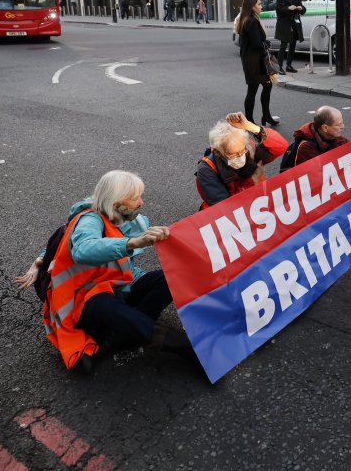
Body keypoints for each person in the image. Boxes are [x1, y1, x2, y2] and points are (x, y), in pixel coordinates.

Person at [25, 170, 193, 374]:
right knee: (103, 303)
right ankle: (182, 345)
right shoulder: (89, 219)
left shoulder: (123, 219)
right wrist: (132, 242)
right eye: (135, 198)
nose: (141, 202)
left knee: (169, 278)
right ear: (115, 202)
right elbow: (82, 249)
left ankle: (130, 329)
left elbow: (126, 270)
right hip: (81, 300)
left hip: (114, 289)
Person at [196, 113, 289, 208]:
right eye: (233, 154)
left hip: (259, 205)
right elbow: (224, 208)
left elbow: (281, 146)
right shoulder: (207, 170)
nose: (241, 156)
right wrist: (252, 181)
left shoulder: (249, 150)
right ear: (217, 152)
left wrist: (252, 127)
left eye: (242, 150)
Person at [236, 0, 279, 127]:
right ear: (252, 6)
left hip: (253, 60)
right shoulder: (252, 21)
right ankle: (248, 120)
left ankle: (266, 115)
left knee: (267, 85)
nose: (262, 6)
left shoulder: (247, 19)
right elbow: (256, 44)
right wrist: (266, 43)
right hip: (254, 62)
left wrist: (263, 42)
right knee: (253, 89)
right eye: (259, 4)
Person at [275, 0, 306, 73]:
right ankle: (279, 67)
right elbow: (278, 10)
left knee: (292, 46)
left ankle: (289, 65)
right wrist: (288, 8)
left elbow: (303, 10)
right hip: (284, 25)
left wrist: (301, 8)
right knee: (283, 46)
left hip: (294, 25)